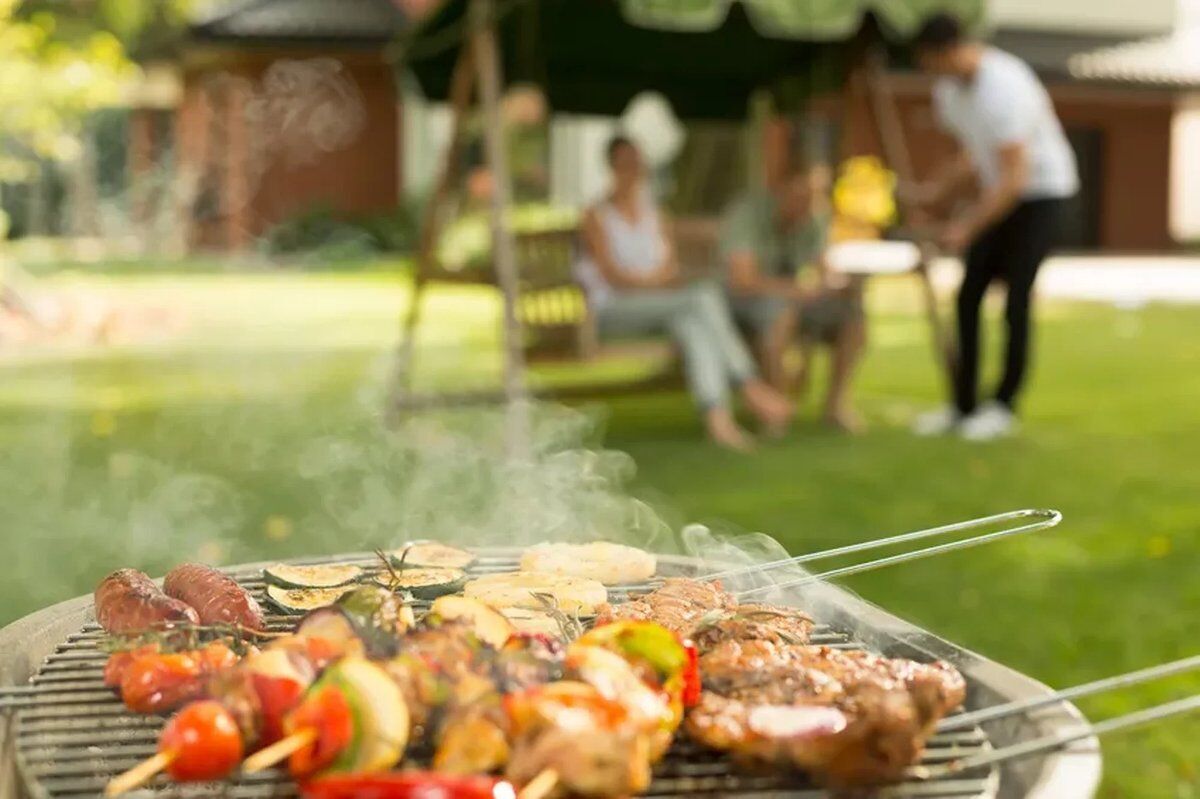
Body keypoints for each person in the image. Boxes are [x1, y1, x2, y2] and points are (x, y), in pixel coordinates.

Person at [908, 13, 1078, 440]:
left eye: (929, 61)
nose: (928, 71)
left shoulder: (1006, 86)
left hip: (1041, 194)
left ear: (948, 51)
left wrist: (966, 226)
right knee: (968, 298)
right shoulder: (949, 93)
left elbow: (1015, 176)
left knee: (1015, 300)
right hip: (997, 194)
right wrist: (932, 194)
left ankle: (1002, 405)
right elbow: (971, 158)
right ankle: (962, 405)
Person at [576, 136, 794, 451]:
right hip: (613, 309)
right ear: (612, 166)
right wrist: (652, 283)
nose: (633, 169)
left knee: (692, 325)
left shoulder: (655, 213)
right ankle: (749, 384)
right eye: (625, 162)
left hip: (660, 307)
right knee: (702, 296)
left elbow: (670, 266)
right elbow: (611, 275)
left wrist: (655, 283)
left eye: (637, 162)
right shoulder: (595, 215)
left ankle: (718, 419)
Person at [720, 164, 867, 433]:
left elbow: (823, 268)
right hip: (743, 302)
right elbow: (742, 281)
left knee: (852, 313)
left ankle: (835, 404)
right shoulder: (748, 214)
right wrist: (794, 290)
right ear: (781, 190)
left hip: (792, 300)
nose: (808, 204)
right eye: (802, 196)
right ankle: (776, 407)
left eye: (814, 196)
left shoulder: (814, 216)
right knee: (781, 314)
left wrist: (836, 284)